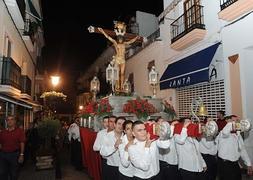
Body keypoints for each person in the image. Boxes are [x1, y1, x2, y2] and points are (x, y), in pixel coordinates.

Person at [98, 21, 140, 90]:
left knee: (122, 74)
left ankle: (122, 87)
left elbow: (131, 41)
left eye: (121, 38)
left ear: (122, 38)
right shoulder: (115, 43)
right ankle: (117, 87)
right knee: (117, 74)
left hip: (123, 60)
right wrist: (102, 31)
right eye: (119, 38)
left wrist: (136, 38)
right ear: (118, 39)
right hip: (117, 59)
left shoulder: (124, 44)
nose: (120, 39)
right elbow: (108, 37)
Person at [216, 115, 253, 180]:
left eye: (237, 121)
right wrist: (231, 123)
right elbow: (225, 132)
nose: (236, 123)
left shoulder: (238, 135)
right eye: (233, 121)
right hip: (225, 164)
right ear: (228, 121)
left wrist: (249, 164)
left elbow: (242, 150)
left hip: (235, 164)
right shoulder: (223, 133)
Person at [0, 116, 26, 180]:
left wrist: (21, 155)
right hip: (3, 155)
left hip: (14, 155)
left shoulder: (19, 131)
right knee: (2, 173)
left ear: (15, 121)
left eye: (12, 119)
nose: (10, 121)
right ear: (6, 122)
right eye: (8, 120)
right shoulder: (2, 132)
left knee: (14, 174)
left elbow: (22, 143)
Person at [93, 116, 111, 180]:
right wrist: (104, 147)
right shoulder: (101, 133)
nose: (107, 124)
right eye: (105, 122)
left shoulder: (116, 132)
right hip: (105, 159)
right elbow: (95, 147)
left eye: (108, 122)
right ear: (102, 123)